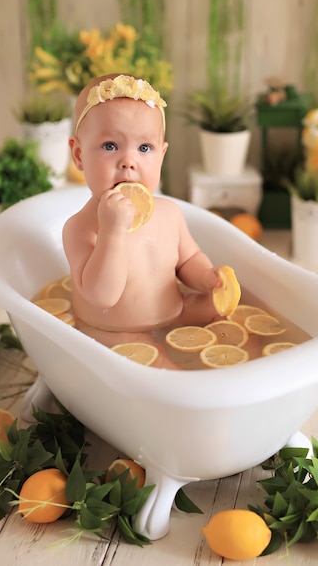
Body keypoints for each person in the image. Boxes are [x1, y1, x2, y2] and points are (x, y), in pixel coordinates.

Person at [63, 73, 223, 356]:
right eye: (110, 146)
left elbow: (188, 260)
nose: (128, 162)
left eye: (144, 148)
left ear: (161, 155)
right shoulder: (80, 228)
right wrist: (112, 232)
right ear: (79, 156)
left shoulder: (170, 214)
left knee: (223, 307)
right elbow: (103, 297)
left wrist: (207, 278)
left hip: (177, 310)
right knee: (160, 368)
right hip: (113, 331)